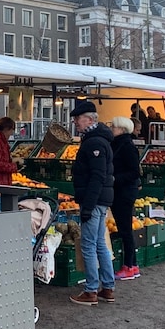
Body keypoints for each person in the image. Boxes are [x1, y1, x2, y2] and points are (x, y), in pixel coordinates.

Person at [69, 100, 115, 306]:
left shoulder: (94, 143)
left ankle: (90, 290)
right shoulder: (99, 140)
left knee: (88, 244)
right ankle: (108, 287)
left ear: (89, 119)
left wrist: (87, 205)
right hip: (101, 199)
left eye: (78, 119)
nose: (75, 123)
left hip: (94, 199)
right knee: (99, 243)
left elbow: (97, 175)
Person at [109, 116, 141, 281]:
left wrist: (116, 178)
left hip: (124, 192)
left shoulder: (127, 146)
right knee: (125, 228)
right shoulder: (119, 144)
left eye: (113, 126)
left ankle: (129, 266)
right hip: (122, 191)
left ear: (121, 129)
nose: (111, 129)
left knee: (125, 229)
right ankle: (133, 265)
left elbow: (134, 171)